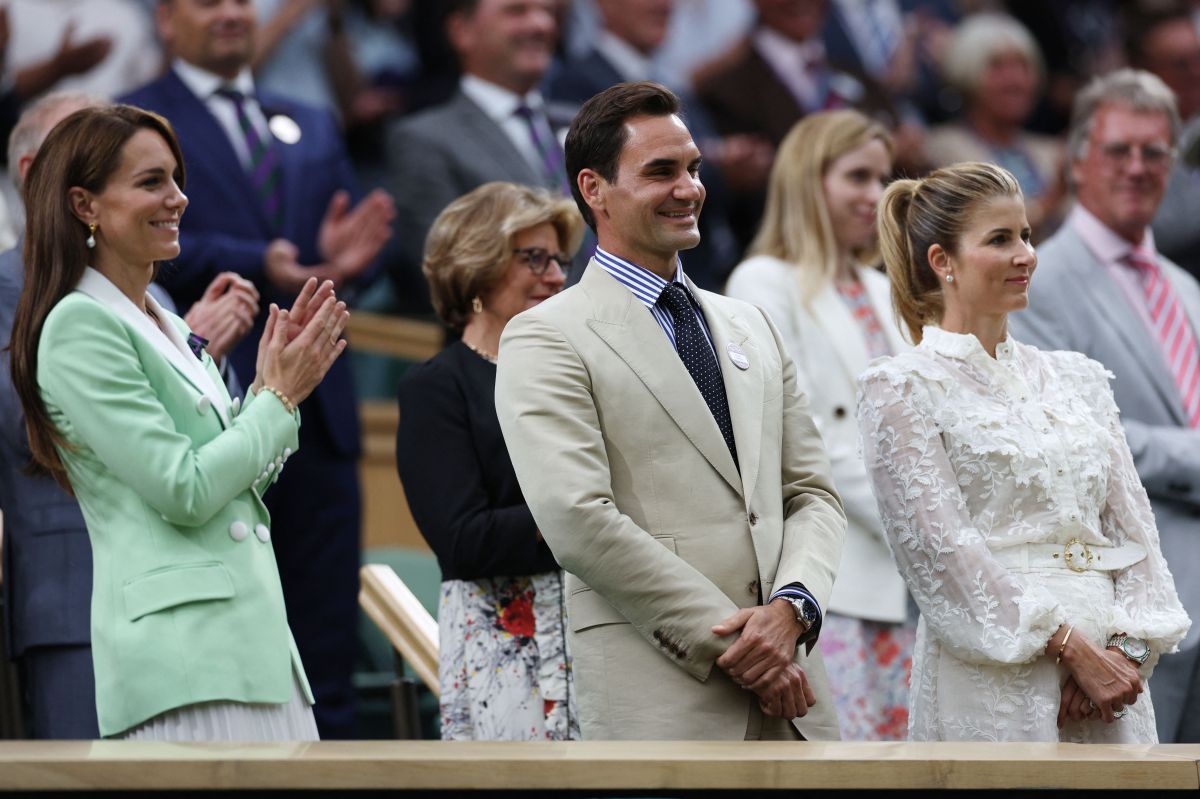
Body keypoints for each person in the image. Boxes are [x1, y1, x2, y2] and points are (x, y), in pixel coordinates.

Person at [494, 81, 846, 741]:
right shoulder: (546, 335)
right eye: (661, 171)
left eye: (693, 168)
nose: (689, 188)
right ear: (594, 189)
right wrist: (739, 646)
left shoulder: (753, 325)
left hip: (796, 699)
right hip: (667, 703)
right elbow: (578, 519)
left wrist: (794, 607)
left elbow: (813, 495)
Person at [8, 104, 350, 740]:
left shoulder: (165, 320)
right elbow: (184, 489)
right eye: (151, 182)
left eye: (176, 178)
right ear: (85, 205)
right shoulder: (79, 324)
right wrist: (276, 399)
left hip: (255, 652)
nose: (178, 198)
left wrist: (279, 395)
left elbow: (237, 483)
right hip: (183, 664)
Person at [122, 0, 396, 739]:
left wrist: (339, 268)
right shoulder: (135, 117)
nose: (231, 12)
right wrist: (258, 261)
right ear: (165, 21)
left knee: (327, 650)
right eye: (206, 0)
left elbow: (330, 268)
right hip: (204, 417)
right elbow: (127, 244)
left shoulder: (308, 115)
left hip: (320, 417)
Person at [858, 160, 1190, 742]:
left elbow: (1136, 533)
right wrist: (1069, 649)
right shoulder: (901, 386)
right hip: (997, 676)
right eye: (1000, 239)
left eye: (1027, 236)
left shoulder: (1079, 378)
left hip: (1113, 685)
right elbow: (943, 555)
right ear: (943, 262)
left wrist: (1125, 653)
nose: (1026, 255)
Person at [1008, 69, 1200, 744]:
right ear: (1078, 157)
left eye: (1155, 152)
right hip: (1124, 607)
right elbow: (1071, 435)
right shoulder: (1035, 280)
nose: (1137, 167)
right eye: (1119, 149)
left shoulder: (1184, 285)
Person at [725, 109, 911, 740]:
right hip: (839, 578)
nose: (876, 195)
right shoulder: (762, 281)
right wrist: (923, 520)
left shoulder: (882, 285)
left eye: (883, 178)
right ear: (809, 181)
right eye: (858, 176)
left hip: (912, 576)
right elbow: (802, 438)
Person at [396, 181, 584, 740]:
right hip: (504, 648)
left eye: (560, 259)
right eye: (534, 258)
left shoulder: (581, 373)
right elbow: (463, 540)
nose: (555, 275)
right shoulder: (438, 386)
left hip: (598, 636)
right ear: (477, 264)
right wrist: (586, 516)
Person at [386, 0, 574, 312]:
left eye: (548, 12)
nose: (541, 24)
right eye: (517, 11)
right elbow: (453, 276)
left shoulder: (590, 122)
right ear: (461, 31)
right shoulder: (424, 140)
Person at [923, 13, 1067, 238]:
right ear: (967, 72)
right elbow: (993, 231)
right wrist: (1055, 196)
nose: (1015, 80)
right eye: (997, 67)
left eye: (1023, 66)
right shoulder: (942, 149)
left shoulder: (1049, 150)